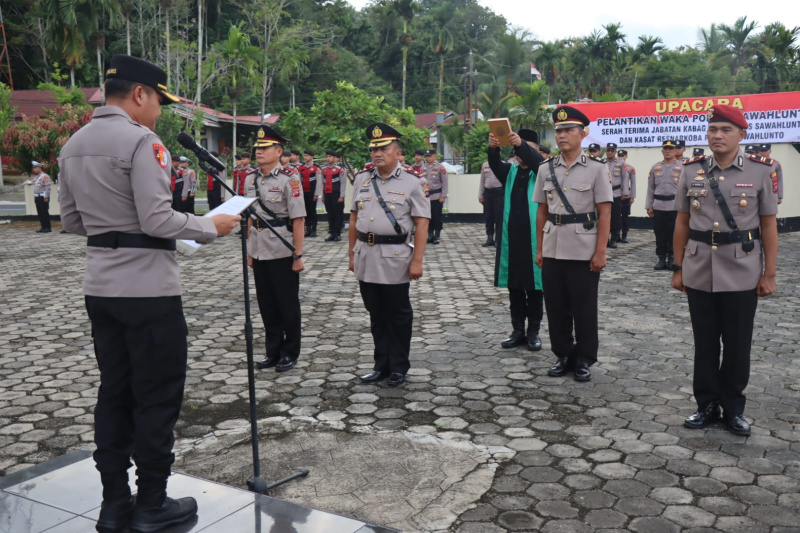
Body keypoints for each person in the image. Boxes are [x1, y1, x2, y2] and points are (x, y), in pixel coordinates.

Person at [57, 54, 240, 533]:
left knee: (114, 393)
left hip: (100, 289)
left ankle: (115, 504)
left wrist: (114, 230)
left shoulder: (73, 144)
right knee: (156, 397)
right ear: (140, 94)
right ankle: (152, 505)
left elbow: (73, 222)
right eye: (159, 100)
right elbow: (159, 219)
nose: (159, 111)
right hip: (149, 293)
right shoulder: (143, 141)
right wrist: (210, 226)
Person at [672, 104, 778, 437]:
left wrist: (769, 273)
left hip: (742, 268)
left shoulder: (761, 171)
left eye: (726, 130)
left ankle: (733, 409)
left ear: (742, 135)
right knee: (704, 342)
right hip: (699, 267)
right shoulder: (691, 170)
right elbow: (682, 221)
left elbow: (769, 225)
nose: (718, 135)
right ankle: (706, 404)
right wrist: (678, 268)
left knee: (736, 344)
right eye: (713, 129)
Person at [533, 106, 612, 382]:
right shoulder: (546, 169)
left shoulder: (597, 169)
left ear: (583, 134)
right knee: (555, 306)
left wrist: (601, 251)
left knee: (584, 307)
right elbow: (542, 211)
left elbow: (605, 213)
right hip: (553, 246)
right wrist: (540, 249)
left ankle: (584, 358)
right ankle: (563, 354)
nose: (563, 135)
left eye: (569, 130)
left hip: (584, 248)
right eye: (559, 131)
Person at [349, 123, 430, 387]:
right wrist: (351, 254)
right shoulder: (362, 179)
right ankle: (380, 365)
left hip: (395, 257)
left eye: (383, 148)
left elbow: (421, 224)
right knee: (376, 314)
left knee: (398, 314)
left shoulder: (413, 181)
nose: (377, 153)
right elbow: (353, 220)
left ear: (398, 152)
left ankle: (398, 367)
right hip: (366, 255)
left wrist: (417, 261)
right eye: (373, 149)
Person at [246, 127, 307, 373]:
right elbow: (249, 216)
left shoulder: (289, 179)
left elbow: (299, 219)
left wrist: (298, 255)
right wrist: (249, 252)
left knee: (287, 305)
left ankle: (290, 352)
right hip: (259, 249)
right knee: (266, 304)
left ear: (279, 151)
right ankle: (273, 351)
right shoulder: (250, 178)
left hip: (282, 249)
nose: (259, 152)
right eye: (257, 148)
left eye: (264, 148)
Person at [488, 129, 545, 351]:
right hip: (512, 241)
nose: (521, 149)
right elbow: (494, 164)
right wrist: (493, 148)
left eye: (527, 146)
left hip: (535, 241)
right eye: (518, 145)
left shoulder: (541, 171)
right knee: (515, 289)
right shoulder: (510, 172)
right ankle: (517, 331)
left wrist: (523, 145)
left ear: (536, 150)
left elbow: (536, 161)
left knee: (535, 289)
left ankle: (533, 333)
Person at [646, 140, 683, 271]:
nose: (668, 151)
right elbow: (650, 188)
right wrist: (649, 206)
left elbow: (684, 189)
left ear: (675, 151)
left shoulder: (682, 167)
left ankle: (672, 257)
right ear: (662, 151)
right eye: (665, 149)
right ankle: (661, 258)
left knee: (673, 233)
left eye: (670, 149)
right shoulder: (656, 167)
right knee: (659, 234)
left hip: (674, 206)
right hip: (658, 206)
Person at [605, 142, 629, 248]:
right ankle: (605, 239)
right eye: (608, 150)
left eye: (612, 150)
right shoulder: (601, 162)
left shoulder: (621, 162)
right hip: (604, 193)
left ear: (615, 151)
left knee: (615, 217)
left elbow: (625, 178)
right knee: (604, 217)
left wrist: (625, 193)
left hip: (616, 193)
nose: (610, 152)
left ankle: (614, 238)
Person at [422, 149, 448, 244]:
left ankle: (437, 236)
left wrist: (443, 196)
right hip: (426, 197)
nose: (428, 158)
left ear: (435, 156)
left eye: (430, 156)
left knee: (437, 217)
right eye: (427, 156)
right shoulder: (423, 167)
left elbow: (445, 183)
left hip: (437, 196)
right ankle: (430, 235)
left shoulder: (440, 168)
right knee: (428, 217)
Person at [322, 150, 346, 241]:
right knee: (330, 214)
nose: (328, 158)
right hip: (327, 194)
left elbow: (343, 183)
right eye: (327, 156)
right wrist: (323, 195)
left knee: (338, 214)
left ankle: (338, 233)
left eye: (330, 156)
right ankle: (332, 233)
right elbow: (322, 183)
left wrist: (342, 196)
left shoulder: (340, 169)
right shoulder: (324, 169)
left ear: (335, 158)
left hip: (336, 194)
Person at [478, 159, 503, 247]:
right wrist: (481, 195)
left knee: (498, 217)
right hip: (488, 193)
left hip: (499, 193)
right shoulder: (485, 165)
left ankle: (498, 239)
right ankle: (490, 238)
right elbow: (482, 181)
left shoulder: (503, 164)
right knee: (488, 216)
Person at [298, 150, 322, 237]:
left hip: (312, 192)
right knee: (305, 211)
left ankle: (314, 229)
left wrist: (316, 194)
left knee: (312, 211)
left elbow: (319, 182)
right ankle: (307, 229)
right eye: (304, 155)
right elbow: (298, 181)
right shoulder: (301, 168)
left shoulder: (316, 168)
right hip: (304, 192)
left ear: (312, 157)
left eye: (307, 156)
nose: (305, 157)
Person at [618, 149, 635, 243]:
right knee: (615, 217)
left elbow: (633, 183)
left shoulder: (630, 168)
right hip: (615, 195)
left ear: (626, 157)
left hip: (626, 196)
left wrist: (632, 196)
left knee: (625, 216)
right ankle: (616, 235)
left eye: (623, 156)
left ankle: (624, 235)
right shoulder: (613, 167)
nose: (621, 158)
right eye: (619, 156)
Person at [31, 161, 52, 233]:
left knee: (44, 212)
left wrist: (46, 197)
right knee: (40, 213)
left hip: (43, 197)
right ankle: (43, 226)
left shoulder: (45, 176)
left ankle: (47, 227)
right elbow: (35, 188)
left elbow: (47, 187)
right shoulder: (36, 177)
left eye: (35, 168)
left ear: (40, 168)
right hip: (37, 197)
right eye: (33, 168)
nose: (34, 169)